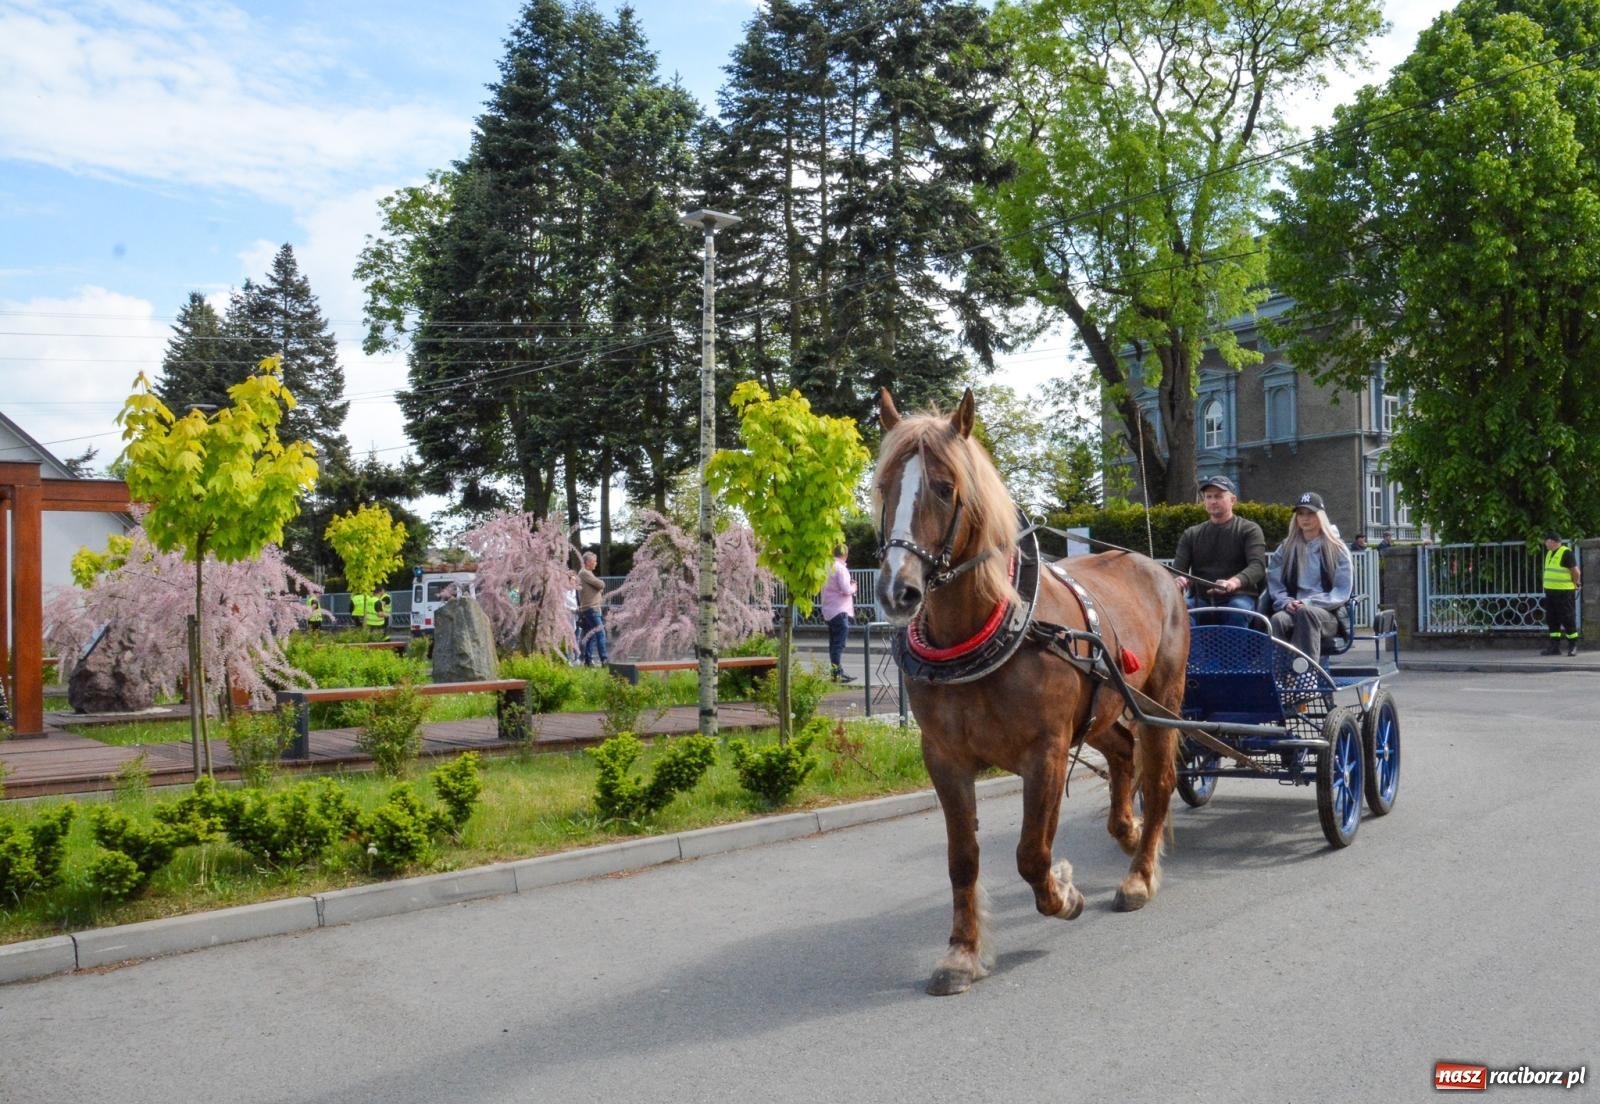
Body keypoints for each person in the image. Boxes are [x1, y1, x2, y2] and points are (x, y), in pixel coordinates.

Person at [1266, 491, 1354, 656]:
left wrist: (1308, 602)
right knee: (1278, 619)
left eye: (1310, 514)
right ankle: (1279, 672)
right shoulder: (1286, 548)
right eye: (1300, 514)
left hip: (1327, 613)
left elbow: (1342, 592)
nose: (1305, 518)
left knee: (1306, 612)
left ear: (1321, 516)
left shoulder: (1337, 548)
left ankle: (1305, 673)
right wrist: (1285, 602)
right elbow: (1274, 582)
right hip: (1294, 607)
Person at [1172, 475, 1267, 619]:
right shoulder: (1191, 534)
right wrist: (1177, 579)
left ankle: (1234, 643)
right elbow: (1177, 570)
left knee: (1237, 610)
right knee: (1181, 612)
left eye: (1218, 496)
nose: (1213, 501)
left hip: (1239, 597)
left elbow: (1258, 566)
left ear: (1233, 500)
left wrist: (1233, 582)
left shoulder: (1249, 530)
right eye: (1208, 497)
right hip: (1200, 600)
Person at [1539, 530, 1580, 656]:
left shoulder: (1566, 553)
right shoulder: (1549, 553)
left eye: (1546, 542)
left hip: (1564, 592)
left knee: (1567, 618)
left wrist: (1575, 583)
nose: (1545, 544)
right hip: (1551, 592)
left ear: (1551, 541)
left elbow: (1576, 572)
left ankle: (1573, 646)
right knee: (1552, 619)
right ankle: (1554, 647)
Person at [820, 545, 857, 682]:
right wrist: (854, 587)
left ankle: (836, 672)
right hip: (840, 610)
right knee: (838, 644)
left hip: (829, 610)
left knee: (833, 644)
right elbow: (846, 589)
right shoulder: (841, 568)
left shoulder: (826, 567)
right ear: (845, 555)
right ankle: (837, 674)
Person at [576, 551, 609, 666]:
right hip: (591, 609)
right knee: (601, 634)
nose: (596, 563)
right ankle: (604, 659)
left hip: (591, 608)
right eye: (594, 561)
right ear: (588, 562)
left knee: (591, 635)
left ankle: (588, 660)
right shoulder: (585, 573)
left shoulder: (587, 573)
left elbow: (598, 586)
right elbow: (600, 585)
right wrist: (600, 585)